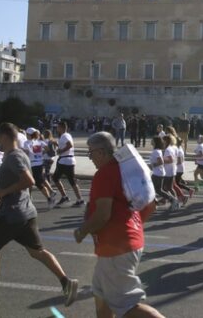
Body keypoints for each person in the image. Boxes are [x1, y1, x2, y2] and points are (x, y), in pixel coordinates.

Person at [0, 123, 78, 308]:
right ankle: (67, 282)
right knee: (37, 252)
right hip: (26, 212)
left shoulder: (13, 157)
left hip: (11, 214)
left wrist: (1, 193)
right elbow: (20, 180)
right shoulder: (18, 155)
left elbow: (28, 180)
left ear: (4, 137)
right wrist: (1, 182)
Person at [73, 131, 164, 318]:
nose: (90, 158)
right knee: (101, 293)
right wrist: (133, 229)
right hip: (125, 243)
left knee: (126, 305)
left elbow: (102, 214)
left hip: (116, 248)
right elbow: (151, 204)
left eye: (91, 153)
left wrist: (82, 231)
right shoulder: (124, 170)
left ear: (101, 152)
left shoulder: (105, 174)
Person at [52, 121, 84, 207]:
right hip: (67, 160)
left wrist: (61, 151)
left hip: (65, 161)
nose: (57, 128)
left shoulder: (65, 135)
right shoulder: (66, 135)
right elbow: (66, 145)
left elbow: (70, 145)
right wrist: (57, 145)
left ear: (62, 128)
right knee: (69, 180)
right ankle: (78, 199)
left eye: (58, 127)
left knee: (56, 178)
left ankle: (66, 197)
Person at [25, 128, 57, 208]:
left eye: (26, 134)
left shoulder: (27, 143)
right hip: (40, 163)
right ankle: (50, 193)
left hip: (32, 164)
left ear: (29, 134)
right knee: (40, 180)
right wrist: (40, 154)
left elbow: (26, 153)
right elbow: (47, 148)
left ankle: (49, 198)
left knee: (38, 183)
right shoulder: (39, 142)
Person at [150, 136, 179, 211]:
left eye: (152, 140)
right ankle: (171, 200)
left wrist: (152, 165)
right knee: (157, 190)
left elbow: (161, 161)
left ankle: (172, 200)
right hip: (159, 172)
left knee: (155, 189)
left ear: (155, 142)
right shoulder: (158, 150)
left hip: (157, 173)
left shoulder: (156, 151)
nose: (151, 141)